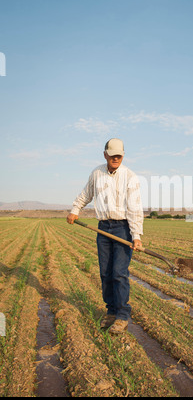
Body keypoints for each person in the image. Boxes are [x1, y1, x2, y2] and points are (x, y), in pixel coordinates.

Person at [66, 138, 143, 334]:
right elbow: (86, 194)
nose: (115, 158)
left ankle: (122, 316)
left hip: (122, 228)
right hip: (103, 228)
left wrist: (136, 236)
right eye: (112, 155)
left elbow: (135, 209)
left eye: (119, 155)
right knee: (105, 273)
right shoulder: (97, 173)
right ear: (105, 154)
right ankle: (110, 312)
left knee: (119, 273)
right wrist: (76, 210)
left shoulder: (130, 177)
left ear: (123, 155)